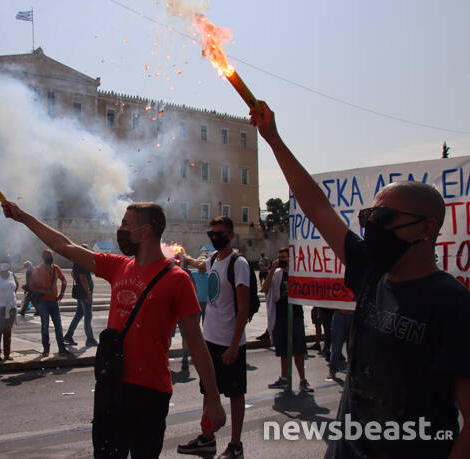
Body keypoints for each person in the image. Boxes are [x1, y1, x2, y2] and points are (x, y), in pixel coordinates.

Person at [251, 101, 470, 457]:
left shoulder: (452, 303)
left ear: (426, 228)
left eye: (382, 218)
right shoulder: (370, 269)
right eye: (368, 216)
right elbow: (317, 207)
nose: (371, 226)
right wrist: (273, 139)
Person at [2, 200, 226, 457]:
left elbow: (196, 343)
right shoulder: (118, 266)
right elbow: (63, 245)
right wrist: (23, 217)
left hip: (150, 393)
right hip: (112, 387)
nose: (121, 230)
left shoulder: (178, 280)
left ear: (145, 231)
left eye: (126, 224)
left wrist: (212, 399)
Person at [178, 216, 250, 459]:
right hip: (209, 340)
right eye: (212, 234)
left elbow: (243, 308)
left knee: (235, 395)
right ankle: (207, 438)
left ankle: (236, 445)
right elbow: (200, 265)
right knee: (209, 392)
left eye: (220, 234)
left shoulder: (238, 264)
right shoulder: (213, 260)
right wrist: (185, 257)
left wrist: (234, 345)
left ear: (231, 235)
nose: (215, 237)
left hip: (229, 343)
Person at [262, 248, 314, 394]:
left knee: (298, 349)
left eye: (284, 257)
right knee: (283, 350)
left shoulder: (297, 273)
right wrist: (272, 269)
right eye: (279, 257)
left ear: (291, 258)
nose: (282, 260)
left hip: (296, 315)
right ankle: (284, 377)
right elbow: (265, 288)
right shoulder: (277, 274)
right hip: (280, 316)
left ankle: (302, 379)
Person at [30, 249, 73, 357]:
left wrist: (62, 293)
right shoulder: (38, 269)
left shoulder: (56, 268)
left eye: (51, 255)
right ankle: (46, 349)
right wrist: (43, 291)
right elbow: (31, 286)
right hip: (43, 302)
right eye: (48, 255)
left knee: (58, 326)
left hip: (54, 301)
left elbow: (64, 280)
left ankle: (61, 348)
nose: (50, 257)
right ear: (43, 257)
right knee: (45, 326)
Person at [64, 245, 98, 347]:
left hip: (80, 292)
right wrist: (88, 293)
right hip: (84, 293)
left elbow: (72, 273)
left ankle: (68, 335)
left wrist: (77, 282)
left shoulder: (76, 261)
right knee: (88, 316)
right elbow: (83, 278)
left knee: (79, 314)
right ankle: (90, 339)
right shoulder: (83, 262)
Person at [328, 309, 353, 380]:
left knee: (351, 348)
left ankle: (351, 371)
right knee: (336, 347)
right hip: (339, 314)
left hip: (352, 315)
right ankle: (332, 371)